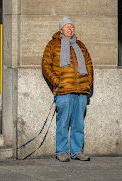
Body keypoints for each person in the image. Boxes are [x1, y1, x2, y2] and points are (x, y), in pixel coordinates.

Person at [42, 16, 93, 162]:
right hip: (63, 90)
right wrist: (56, 81)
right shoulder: (52, 45)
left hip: (81, 90)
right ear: (61, 30)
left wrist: (89, 81)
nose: (70, 29)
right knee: (63, 122)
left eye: (72, 26)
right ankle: (61, 151)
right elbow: (46, 66)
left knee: (78, 123)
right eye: (67, 26)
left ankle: (77, 151)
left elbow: (89, 64)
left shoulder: (80, 45)